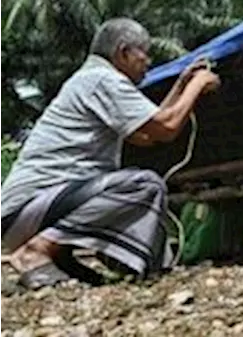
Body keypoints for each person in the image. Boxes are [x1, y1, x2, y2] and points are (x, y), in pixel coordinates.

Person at [0, 18, 221, 290]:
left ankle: (57, 258)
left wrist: (180, 85)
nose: (148, 61)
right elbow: (166, 128)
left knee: (126, 186)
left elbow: (145, 135)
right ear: (124, 52)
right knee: (145, 185)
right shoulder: (104, 80)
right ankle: (37, 250)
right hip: (29, 209)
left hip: (21, 213)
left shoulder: (91, 80)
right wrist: (197, 86)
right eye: (144, 53)